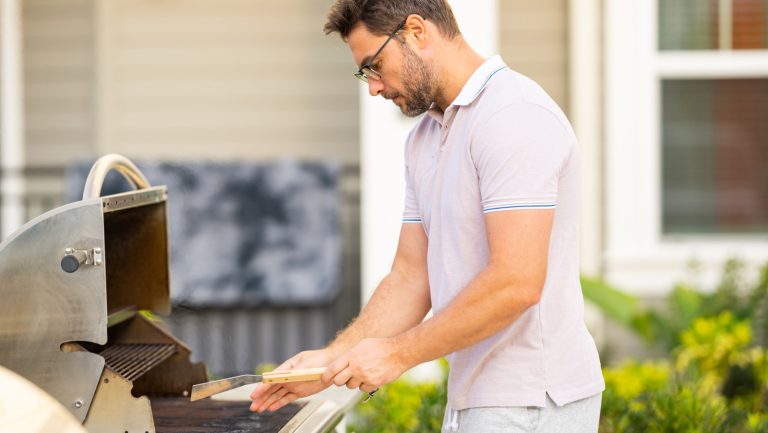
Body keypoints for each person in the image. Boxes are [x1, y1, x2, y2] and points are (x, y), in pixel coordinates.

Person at [250, 1, 605, 431]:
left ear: (416, 31)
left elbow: (517, 282)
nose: (373, 89)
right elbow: (410, 276)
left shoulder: (513, 116)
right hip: (476, 398)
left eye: (374, 66)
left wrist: (397, 354)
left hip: (532, 401)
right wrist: (332, 359)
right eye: (364, 74)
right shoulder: (426, 137)